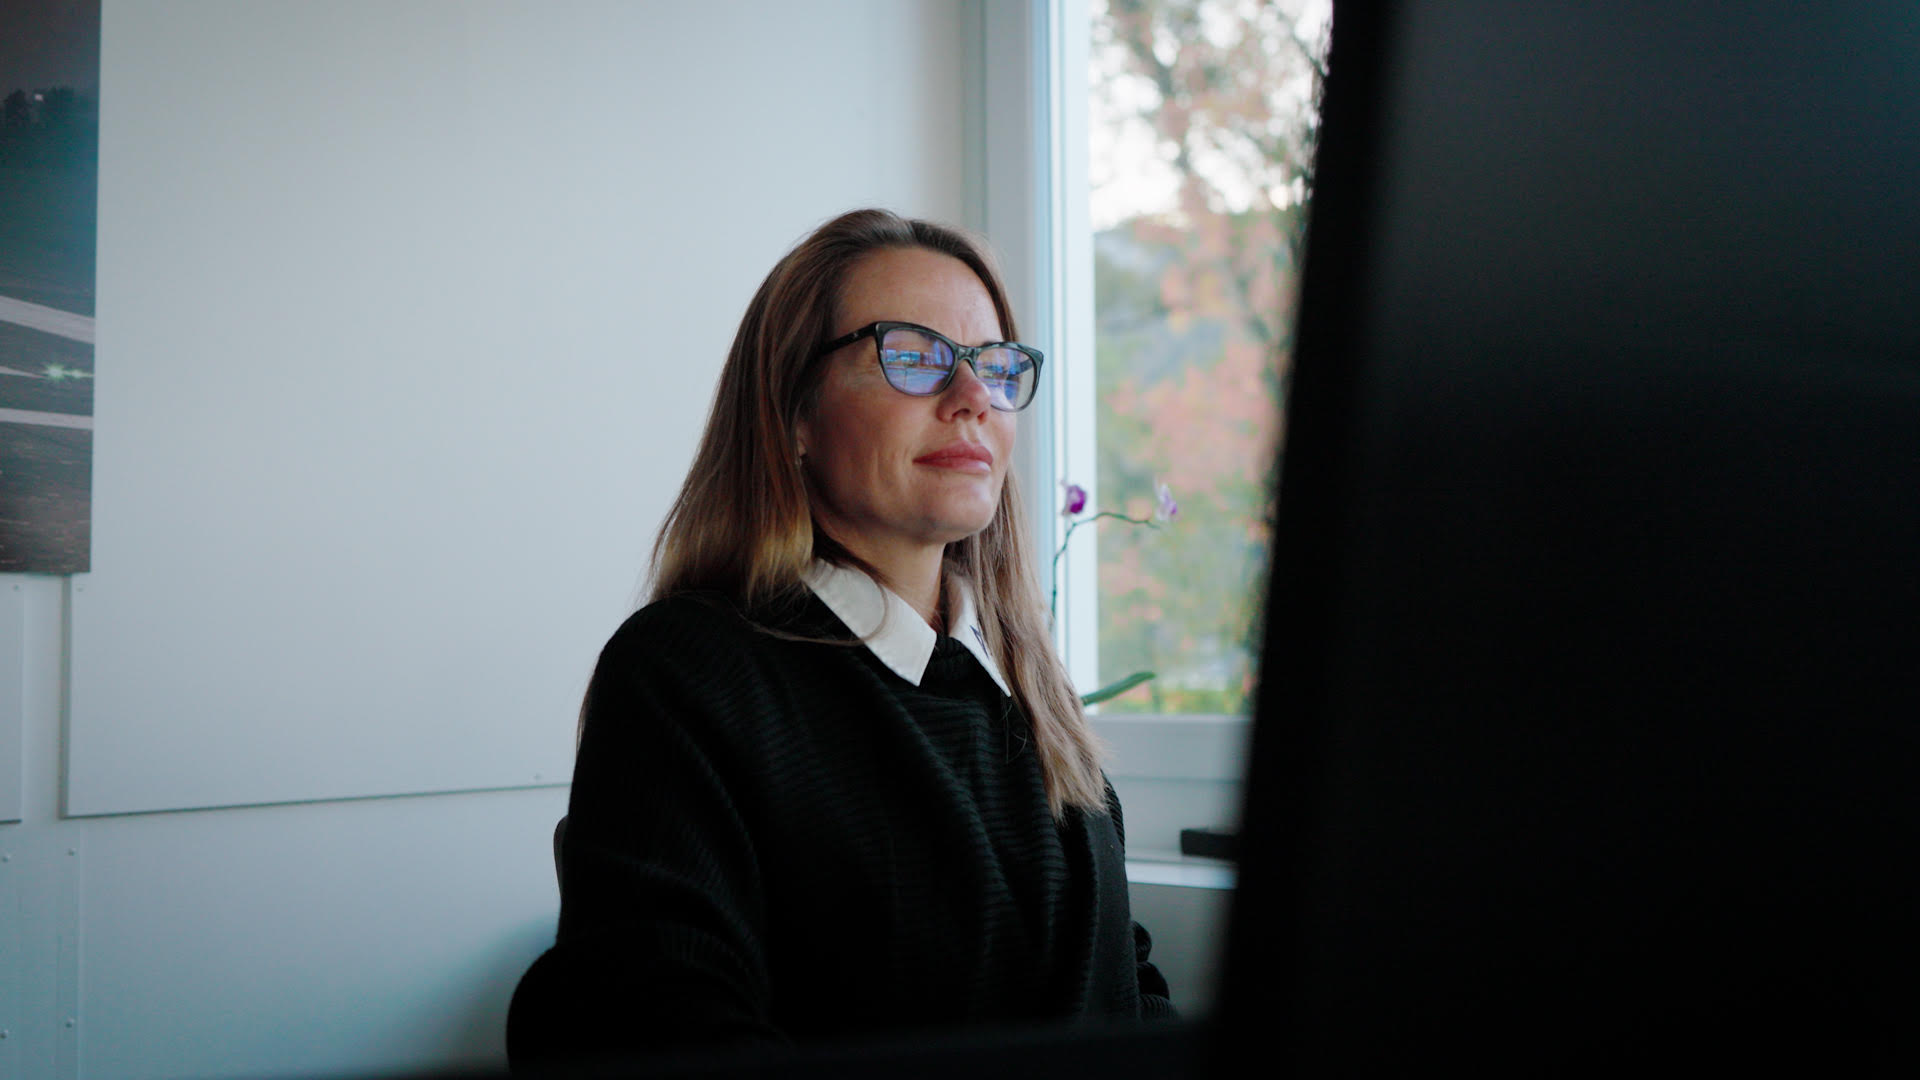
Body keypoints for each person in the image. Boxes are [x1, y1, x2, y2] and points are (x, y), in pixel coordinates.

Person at [506, 208, 1174, 1068]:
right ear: (794, 413)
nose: (972, 395)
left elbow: (1133, 987)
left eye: (995, 366)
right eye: (915, 354)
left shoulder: (1029, 690)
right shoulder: (687, 676)